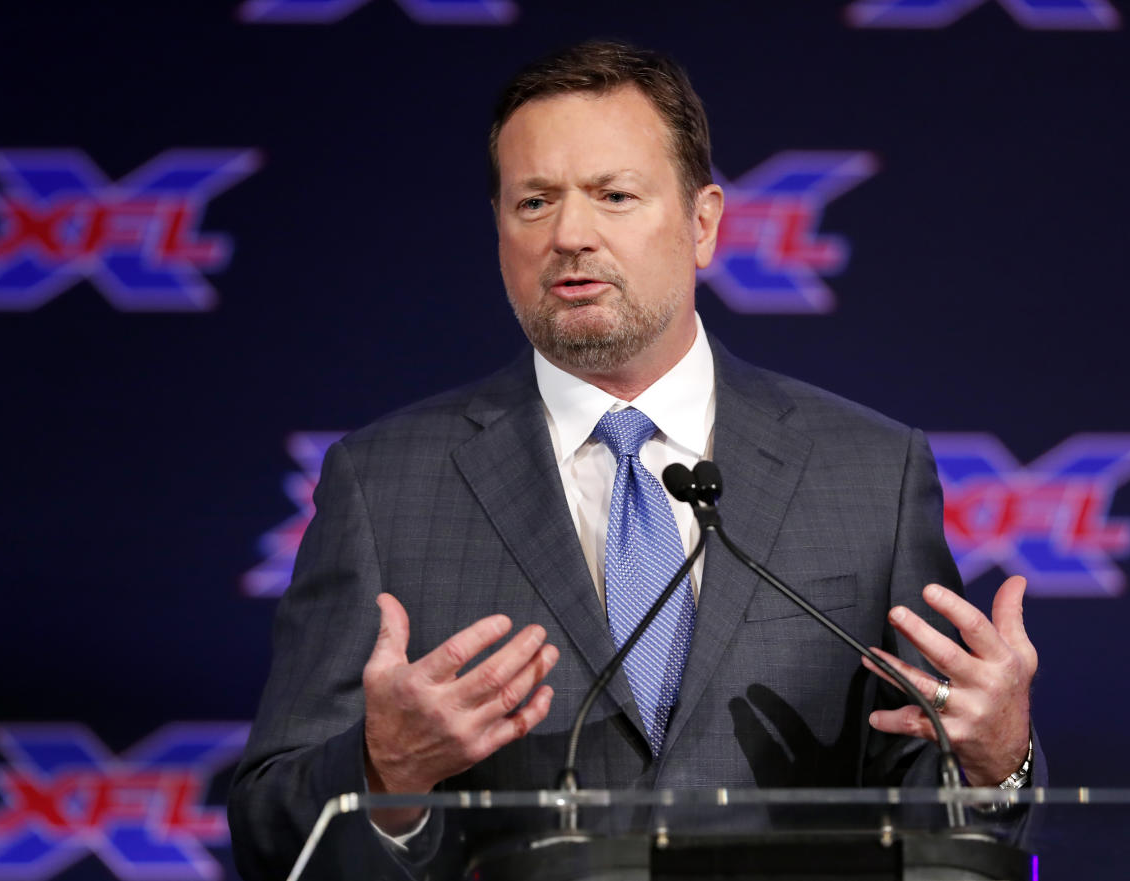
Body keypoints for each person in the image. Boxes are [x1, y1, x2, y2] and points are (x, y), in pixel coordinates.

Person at [228, 40, 1042, 880]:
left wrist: (995, 758)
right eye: (534, 201)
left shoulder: (871, 472)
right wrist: (381, 772)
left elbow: (937, 806)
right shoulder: (385, 484)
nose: (570, 235)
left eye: (614, 196)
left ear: (703, 224)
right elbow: (270, 826)